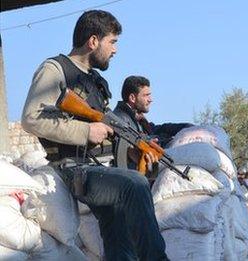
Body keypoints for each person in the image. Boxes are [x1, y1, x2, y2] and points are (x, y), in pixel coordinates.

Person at [21, 10, 168, 261]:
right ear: (93, 41)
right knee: (135, 184)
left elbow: (104, 129)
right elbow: (31, 118)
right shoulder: (55, 70)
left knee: (117, 233)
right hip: (74, 169)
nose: (115, 50)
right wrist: (85, 131)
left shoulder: (96, 81)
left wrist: (131, 150)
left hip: (100, 167)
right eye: (112, 42)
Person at [113, 75, 192, 148]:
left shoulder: (138, 120)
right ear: (132, 98)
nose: (150, 100)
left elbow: (157, 130)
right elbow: (133, 146)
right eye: (146, 95)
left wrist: (186, 128)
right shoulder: (120, 120)